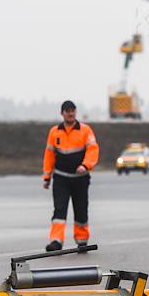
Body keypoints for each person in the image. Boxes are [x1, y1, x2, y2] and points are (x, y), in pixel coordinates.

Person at [42, 101, 99, 251]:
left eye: (72, 111)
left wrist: (85, 166)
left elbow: (93, 150)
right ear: (62, 113)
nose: (70, 113)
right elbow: (49, 155)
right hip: (61, 178)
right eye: (67, 111)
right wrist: (47, 177)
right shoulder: (54, 132)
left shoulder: (85, 130)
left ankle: (82, 240)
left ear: (75, 112)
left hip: (80, 178)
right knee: (59, 210)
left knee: (81, 209)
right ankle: (56, 241)